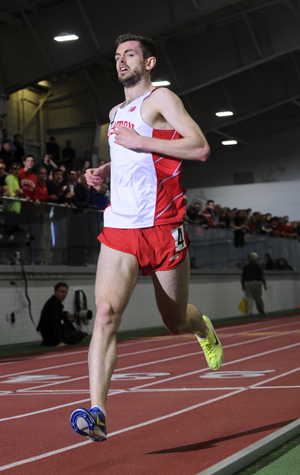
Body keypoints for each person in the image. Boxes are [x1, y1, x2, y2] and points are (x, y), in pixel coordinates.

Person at [70, 33, 223, 442]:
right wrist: (104, 170)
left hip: (163, 226)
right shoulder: (115, 110)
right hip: (120, 227)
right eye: (118, 56)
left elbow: (200, 147)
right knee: (104, 314)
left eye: (130, 55)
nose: (121, 61)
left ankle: (203, 329)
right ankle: (98, 412)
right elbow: (128, 153)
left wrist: (141, 140)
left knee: (174, 321)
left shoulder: (161, 100)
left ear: (149, 62)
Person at [37, 282, 87, 346]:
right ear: (55, 291)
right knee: (79, 334)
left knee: (72, 328)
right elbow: (54, 323)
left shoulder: (55, 303)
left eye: (65, 293)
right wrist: (59, 342)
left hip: (50, 336)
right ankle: (52, 341)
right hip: (51, 337)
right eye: (62, 291)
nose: (64, 294)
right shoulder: (53, 304)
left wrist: (67, 318)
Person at [241, 252, 267, 317]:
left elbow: (243, 277)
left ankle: (249, 313)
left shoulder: (246, 267)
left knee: (249, 298)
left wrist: (243, 285)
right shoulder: (258, 266)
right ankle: (261, 311)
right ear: (256, 258)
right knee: (258, 298)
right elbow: (261, 275)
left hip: (247, 283)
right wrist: (264, 284)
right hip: (256, 283)